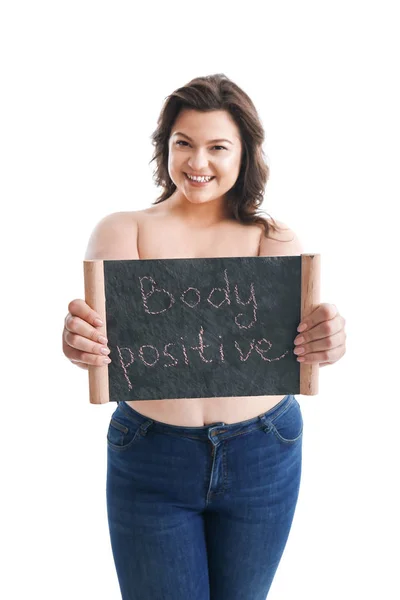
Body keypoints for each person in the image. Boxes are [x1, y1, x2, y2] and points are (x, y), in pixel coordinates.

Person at [62, 74, 346, 599]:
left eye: (218, 147)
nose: (198, 163)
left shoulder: (272, 238)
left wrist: (327, 341)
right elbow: (102, 344)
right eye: (183, 144)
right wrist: (79, 342)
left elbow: (300, 342)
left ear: (244, 155)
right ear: (164, 148)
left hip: (263, 449)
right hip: (153, 454)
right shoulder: (123, 231)